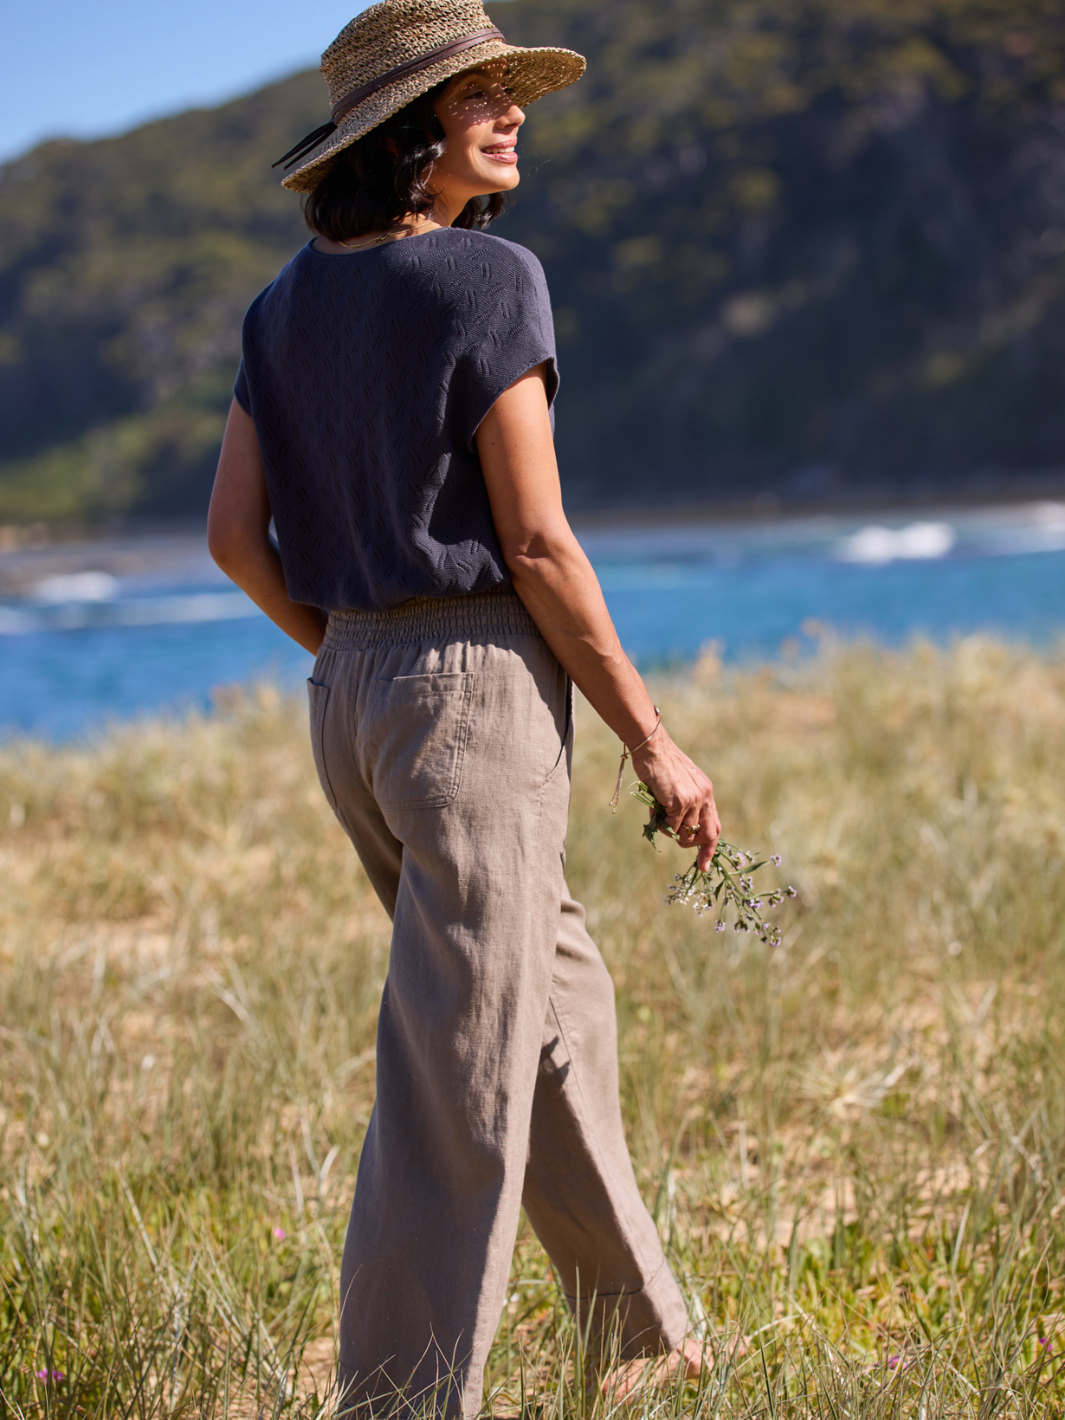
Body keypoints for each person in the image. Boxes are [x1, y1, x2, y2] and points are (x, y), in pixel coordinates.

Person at [207, 0, 722, 1413]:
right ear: (411, 132)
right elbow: (541, 545)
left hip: (353, 696)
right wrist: (656, 742)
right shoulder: (490, 280)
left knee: (552, 1007)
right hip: (472, 699)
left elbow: (231, 542)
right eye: (482, 95)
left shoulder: (280, 306)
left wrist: (354, 651)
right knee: (457, 1072)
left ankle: (649, 1337)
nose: (512, 114)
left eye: (509, 91)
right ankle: (398, 1397)